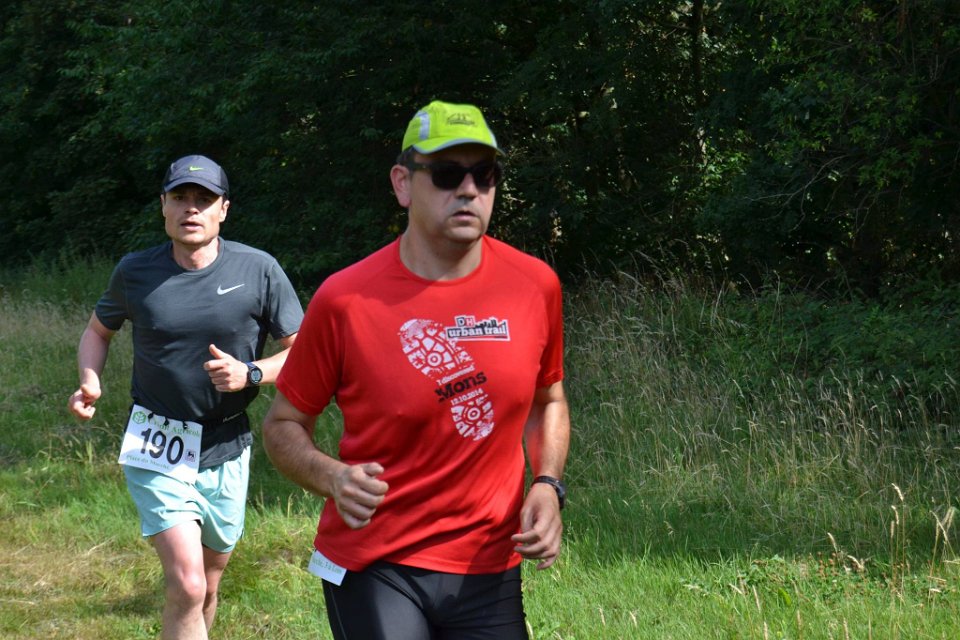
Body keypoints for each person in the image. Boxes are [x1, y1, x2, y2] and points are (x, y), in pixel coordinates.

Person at [262, 100, 571, 639]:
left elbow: (549, 401)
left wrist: (547, 484)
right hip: (375, 561)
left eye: (484, 175)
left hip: (487, 565)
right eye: (448, 174)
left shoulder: (534, 285)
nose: (469, 190)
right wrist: (333, 477)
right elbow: (282, 424)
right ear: (402, 184)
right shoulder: (345, 299)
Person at [67, 154, 303, 640]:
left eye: (204, 199)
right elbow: (97, 331)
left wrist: (251, 373)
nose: (191, 208)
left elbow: (303, 352)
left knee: (209, 583)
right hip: (156, 441)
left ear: (224, 210)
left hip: (227, 443)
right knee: (188, 584)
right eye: (180, 198)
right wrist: (90, 379)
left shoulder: (258, 269)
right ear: (163, 206)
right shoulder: (136, 271)